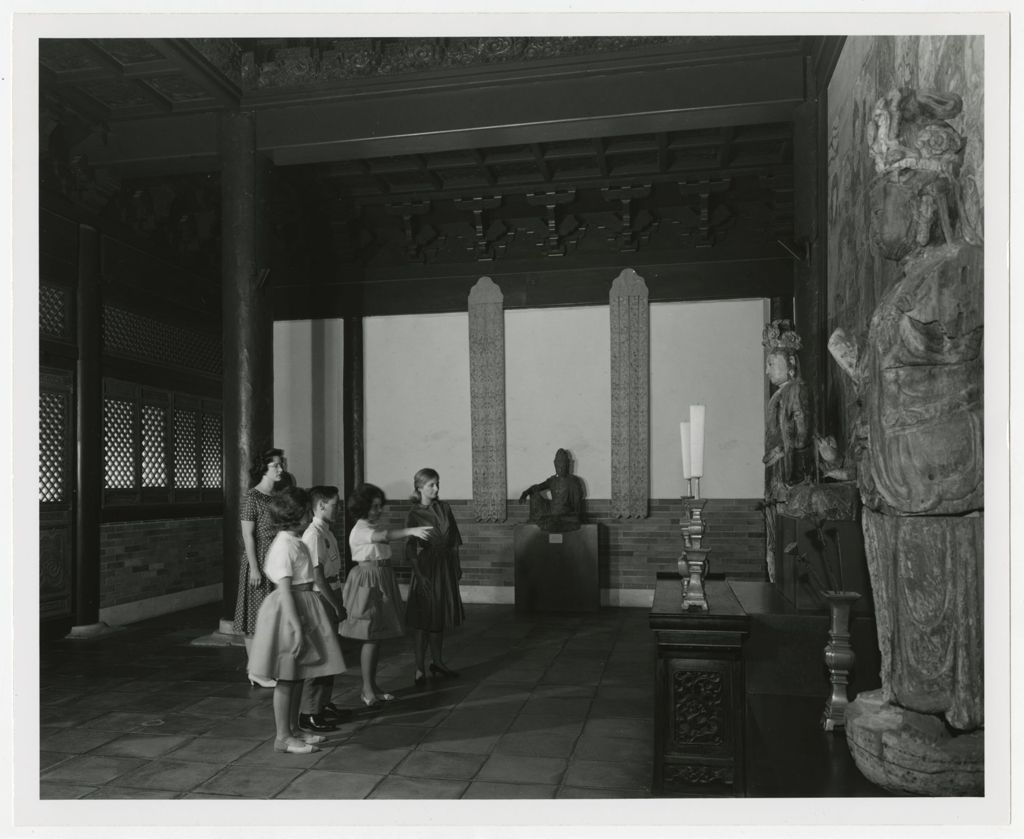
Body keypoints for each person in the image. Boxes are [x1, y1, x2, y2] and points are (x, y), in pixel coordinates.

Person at [247, 486, 347, 755]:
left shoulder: (297, 541)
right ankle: (282, 736)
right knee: (287, 678)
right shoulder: (283, 546)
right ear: (296, 515)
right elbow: (285, 590)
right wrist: (296, 626)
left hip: (305, 606)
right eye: (305, 511)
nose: (309, 515)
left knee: (298, 675)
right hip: (290, 611)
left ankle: (294, 729)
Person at [339, 483, 432, 707]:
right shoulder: (361, 529)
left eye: (380, 506)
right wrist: (410, 531)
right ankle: (367, 690)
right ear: (362, 508)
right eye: (374, 507)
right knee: (370, 636)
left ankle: (373, 687)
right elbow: (384, 536)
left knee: (377, 636)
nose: (378, 511)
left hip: (380, 577)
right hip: (368, 579)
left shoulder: (371, 525)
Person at [298, 485, 351, 732]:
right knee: (320, 653)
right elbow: (318, 576)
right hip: (322, 596)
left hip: (332, 590)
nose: (338, 508)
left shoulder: (325, 531)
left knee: (331, 652)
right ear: (320, 505)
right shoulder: (314, 534)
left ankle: (323, 703)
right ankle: (309, 711)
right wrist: (336, 604)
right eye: (334, 504)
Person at [762, 320, 813, 582]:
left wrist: (784, 449)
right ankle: (776, 578)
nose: (767, 369)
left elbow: (802, 432)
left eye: (773, 363)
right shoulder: (779, 394)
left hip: (788, 469)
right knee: (774, 529)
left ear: (791, 365)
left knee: (783, 530)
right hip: (776, 469)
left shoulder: (796, 390)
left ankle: (782, 580)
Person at [404, 468, 465, 685]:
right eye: (431, 485)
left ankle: (437, 661)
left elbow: (454, 540)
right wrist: (419, 576)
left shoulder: (445, 507)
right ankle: (419, 668)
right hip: (427, 567)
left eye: (437, 484)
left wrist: (456, 565)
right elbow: (410, 549)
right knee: (423, 619)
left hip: (445, 565)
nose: (437, 488)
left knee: (438, 616)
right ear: (419, 487)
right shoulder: (414, 513)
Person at [232, 447, 286, 688]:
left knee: (272, 614)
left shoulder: (277, 496)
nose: (281, 469)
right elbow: (248, 535)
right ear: (264, 468)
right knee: (253, 615)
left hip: (276, 556)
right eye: (276, 465)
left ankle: (264, 666)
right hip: (260, 558)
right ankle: (254, 670)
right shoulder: (252, 496)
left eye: (281, 465)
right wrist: (254, 568)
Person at [518, 448, 586, 532]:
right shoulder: (552, 480)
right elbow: (537, 487)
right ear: (554, 464)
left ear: (567, 464)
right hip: (551, 509)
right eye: (558, 465)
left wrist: (577, 515)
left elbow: (577, 504)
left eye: (562, 464)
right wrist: (525, 492)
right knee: (534, 494)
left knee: (571, 518)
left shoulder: (573, 481)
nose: (560, 468)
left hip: (565, 512)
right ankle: (538, 519)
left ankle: (556, 519)